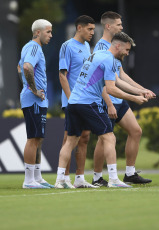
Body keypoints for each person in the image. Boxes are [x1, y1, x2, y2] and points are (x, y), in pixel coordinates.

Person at [55, 32, 149, 189]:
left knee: (71, 140)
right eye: (126, 50)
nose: (127, 53)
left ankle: (60, 180)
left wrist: (140, 91)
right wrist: (135, 99)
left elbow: (116, 80)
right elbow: (111, 89)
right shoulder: (110, 60)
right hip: (88, 103)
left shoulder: (97, 54)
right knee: (109, 138)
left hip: (73, 103)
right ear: (117, 46)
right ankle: (113, 179)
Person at [91, 12, 155, 186]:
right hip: (108, 101)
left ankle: (130, 173)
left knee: (136, 131)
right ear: (108, 26)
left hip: (120, 100)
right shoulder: (101, 49)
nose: (122, 27)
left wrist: (142, 90)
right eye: (119, 25)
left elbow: (121, 75)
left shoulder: (117, 46)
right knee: (103, 139)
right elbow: (102, 83)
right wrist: (109, 103)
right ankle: (97, 177)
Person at [58, 15, 97, 188]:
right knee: (70, 139)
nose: (92, 33)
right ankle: (64, 178)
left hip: (85, 100)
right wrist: (72, 98)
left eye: (93, 29)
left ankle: (79, 178)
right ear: (79, 28)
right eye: (89, 29)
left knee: (85, 138)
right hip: (72, 101)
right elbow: (62, 75)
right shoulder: (67, 46)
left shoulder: (87, 46)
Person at [18, 19, 53, 189]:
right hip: (34, 100)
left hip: (37, 100)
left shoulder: (30, 47)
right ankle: (28, 180)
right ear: (38, 32)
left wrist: (28, 86)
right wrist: (33, 89)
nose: (51, 35)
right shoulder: (33, 47)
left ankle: (37, 177)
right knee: (33, 138)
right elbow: (26, 67)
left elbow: (19, 68)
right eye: (48, 32)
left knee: (38, 138)